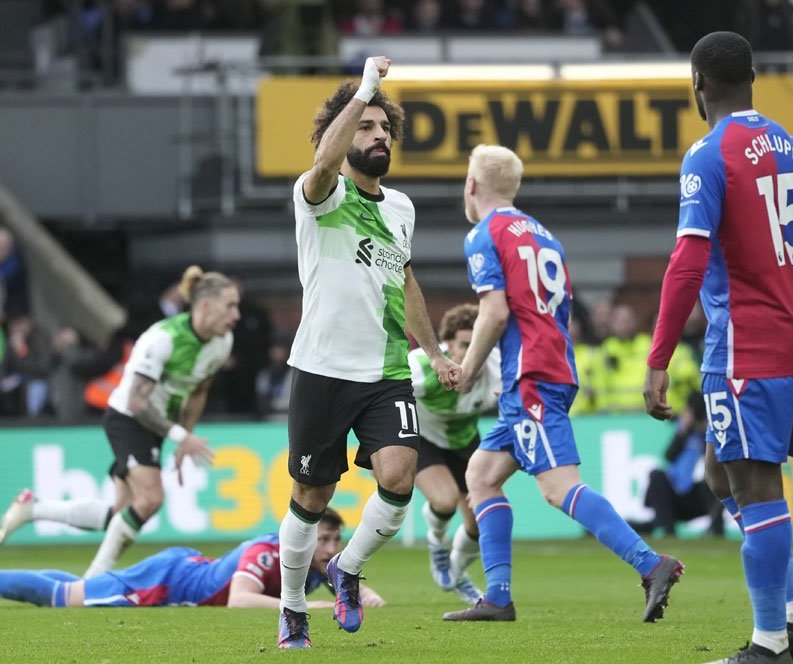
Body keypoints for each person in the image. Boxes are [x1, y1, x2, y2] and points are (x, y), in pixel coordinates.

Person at [643, 32, 793, 663]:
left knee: (756, 486)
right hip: (789, 342)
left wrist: (659, 356)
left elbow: (688, 260)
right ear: (753, 78)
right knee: (721, 475)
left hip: (743, 346)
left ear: (698, 85)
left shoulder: (709, 154)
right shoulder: (790, 146)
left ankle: (770, 643)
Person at [443, 144, 683, 624]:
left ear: (471, 186)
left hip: (533, 374)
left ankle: (652, 564)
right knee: (481, 477)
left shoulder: (483, 234)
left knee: (557, 488)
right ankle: (498, 597)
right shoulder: (543, 235)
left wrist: (468, 368)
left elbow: (495, 311)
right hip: (543, 367)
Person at [277, 56, 461, 649]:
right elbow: (325, 160)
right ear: (340, 131)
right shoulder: (319, 196)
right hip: (321, 369)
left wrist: (431, 352)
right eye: (366, 126)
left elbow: (404, 283)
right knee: (311, 497)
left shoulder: (402, 209)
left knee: (400, 476)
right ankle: (292, 610)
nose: (379, 134)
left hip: (385, 372)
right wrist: (366, 90)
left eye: (385, 128)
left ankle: (347, 569)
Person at [0, 266, 239, 578]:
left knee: (119, 514)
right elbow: (137, 402)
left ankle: (33, 509)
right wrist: (180, 436)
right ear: (205, 306)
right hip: (127, 417)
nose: (236, 315)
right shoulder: (163, 339)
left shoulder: (222, 342)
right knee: (150, 500)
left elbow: (199, 390)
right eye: (230, 306)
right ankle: (94, 581)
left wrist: (185, 437)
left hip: (157, 425)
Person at [0, 509, 384, 611]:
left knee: (76, 587)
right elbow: (240, 601)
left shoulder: (318, 564)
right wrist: (319, 608)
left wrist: (358, 591)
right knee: (64, 598)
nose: (330, 548)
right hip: (167, 583)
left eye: (333, 540)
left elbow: (359, 588)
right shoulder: (269, 552)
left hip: (180, 571)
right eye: (323, 538)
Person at [409, 303, 500, 606]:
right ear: (446, 345)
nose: (472, 352)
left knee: (480, 521)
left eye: (479, 343)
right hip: (425, 438)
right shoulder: (421, 368)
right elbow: (381, 395)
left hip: (466, 441)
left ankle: (458, 573)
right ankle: (437, 541)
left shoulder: (497, 370)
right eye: (464, 345)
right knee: (445, 500)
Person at [629, 392, 723, 537]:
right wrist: (683, 432)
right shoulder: (683, 431)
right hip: (676, 494)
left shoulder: (711, 432)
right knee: (656, 476)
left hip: (699, 495)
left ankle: (716, 529)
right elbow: (669, 456)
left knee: (715, 481)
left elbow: (716, 462)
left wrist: (706, 432)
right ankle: (667, 530)